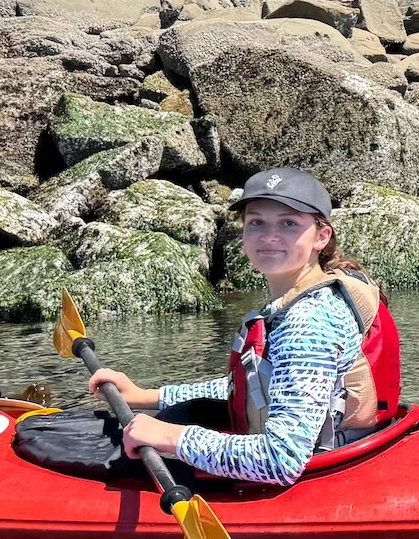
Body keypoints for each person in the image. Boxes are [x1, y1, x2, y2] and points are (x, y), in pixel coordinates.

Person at [84, 168, 403, 486]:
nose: (269, 236)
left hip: (321, 473)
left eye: (289, 223)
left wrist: (175, 437)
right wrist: (147, 396)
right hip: (326, 450)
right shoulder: (300, 296)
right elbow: (255, 384)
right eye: (256, 222)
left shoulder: (309, 322)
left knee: (84, 453)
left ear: (322, 236)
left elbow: (283, 460)